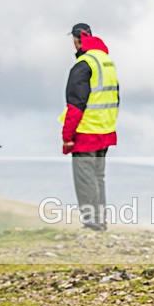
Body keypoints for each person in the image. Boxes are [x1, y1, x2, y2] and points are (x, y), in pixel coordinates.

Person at [59, 23, 120, 231]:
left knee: (85, 180)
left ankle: (93, 224)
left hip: (86, 131)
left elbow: (75, 105)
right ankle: (100, 222)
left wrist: (67, 136)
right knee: (98, 178)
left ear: (77, 41)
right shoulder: (106, 61)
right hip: (105, 130)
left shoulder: (83, 65)